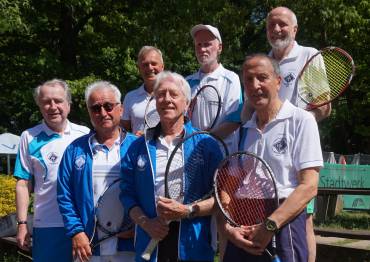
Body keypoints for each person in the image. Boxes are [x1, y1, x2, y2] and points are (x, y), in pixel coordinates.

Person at [220, 54, 323, 262]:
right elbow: (229, 186)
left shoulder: (301, 121)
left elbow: (310, 186)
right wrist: (228, 227)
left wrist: (270, 225)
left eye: (262, 77)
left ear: (278, 81)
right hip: (242, 220)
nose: (254, 85)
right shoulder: (243, 131)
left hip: (284, 222)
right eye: (248, 80)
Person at [120, 71, 223, 262]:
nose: (167, 99)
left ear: (187, 103)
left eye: (174, 94)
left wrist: (188, 210)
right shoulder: (137, 147)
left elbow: (222, 198)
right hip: (151, 238)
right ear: (154, 102)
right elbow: (127, 195)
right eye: (161, 94)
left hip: (194, 245)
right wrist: (146, 223)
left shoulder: (206, 145)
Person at [266, 7, 331, 261]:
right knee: (269, 216)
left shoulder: (309, 55)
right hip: (267, 150)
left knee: (304, 220)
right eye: (271, 25)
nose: (276, 29)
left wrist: (296, 124)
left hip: (299, 152)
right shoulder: (265, 60)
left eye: (282, 24)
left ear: (295, 29)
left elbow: (325, 106)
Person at [57, 81, 137, 262]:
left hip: (129, 245)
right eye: (96, 108)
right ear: (89, 112)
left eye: (108, 106)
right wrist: (76, 232)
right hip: (88, 246)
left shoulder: (138, 147)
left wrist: (140, 226)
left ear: (121, 109)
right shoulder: (74, 150)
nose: (103, 113)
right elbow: (65, 196)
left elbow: (150, 191)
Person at [14, 79, 90, 261]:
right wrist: (22, 224)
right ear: (40, 106)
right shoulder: (29, 137)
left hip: (83, 223)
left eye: (58, 101)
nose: (52, 106)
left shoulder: (85, 134)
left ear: (69, 105)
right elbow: (23, 184)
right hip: (47, 224)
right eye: (46, 102)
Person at [186, 24, 243, 153]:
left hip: (224, 157)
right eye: (198, 45)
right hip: (193, 156)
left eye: (207, 44)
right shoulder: (187, 82)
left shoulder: (231, 79)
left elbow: (234, 120)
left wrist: (203, 140)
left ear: (219, 48)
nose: (202, 49)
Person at [121, 46, 165, 135]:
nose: (150, 68)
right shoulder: (130, 97)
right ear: (139, 69)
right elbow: (123, 130)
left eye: (154, 63)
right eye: (145, 64)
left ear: (162, 67)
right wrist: (133, 139)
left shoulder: (174, 96)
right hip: (138, 148)